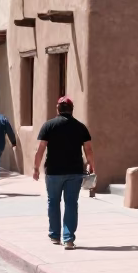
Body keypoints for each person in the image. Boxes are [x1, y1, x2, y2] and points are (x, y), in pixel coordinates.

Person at [32, 97, 95, 250]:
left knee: (53, 202)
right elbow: (88, 149)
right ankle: (68, 239)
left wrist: (36, 168)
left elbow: (40, 149)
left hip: (53, 172)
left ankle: (54, 235)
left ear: (58, 109)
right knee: (71, 204)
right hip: (75, 171)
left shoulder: (49, 125)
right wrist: (91, 165)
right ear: (72, 109)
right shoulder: (81, 127)